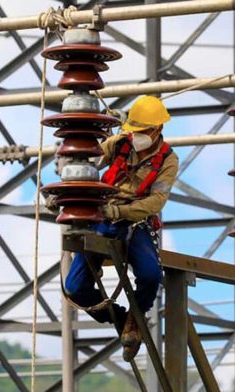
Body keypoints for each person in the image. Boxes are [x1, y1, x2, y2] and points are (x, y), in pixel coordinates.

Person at [64, 95, 178, 361]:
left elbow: (156, 201)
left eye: (141, 132)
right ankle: (121, 317)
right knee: (75, 288)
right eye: (132, 131)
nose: (135, 137)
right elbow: (86, 163)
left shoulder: (168, 160)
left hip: (135, 222)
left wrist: (120, 211)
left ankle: (136, 322)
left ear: (157, 129)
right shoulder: (119, 144)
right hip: (102, 218)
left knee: (150, 276)